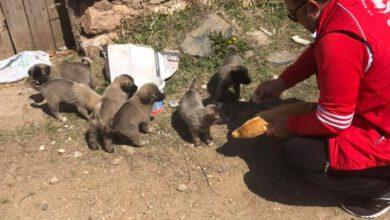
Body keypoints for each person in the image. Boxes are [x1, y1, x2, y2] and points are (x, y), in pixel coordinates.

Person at [253, 0, 390, 218]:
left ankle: (381, 187)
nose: (294, 22)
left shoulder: (339, 41)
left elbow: (335, 119)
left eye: (292, 16)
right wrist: (284, 81)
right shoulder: (350, 8)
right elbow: (324, 44)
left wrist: (288, 125)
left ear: (312, 8)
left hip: (384, 130)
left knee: (298, 154)